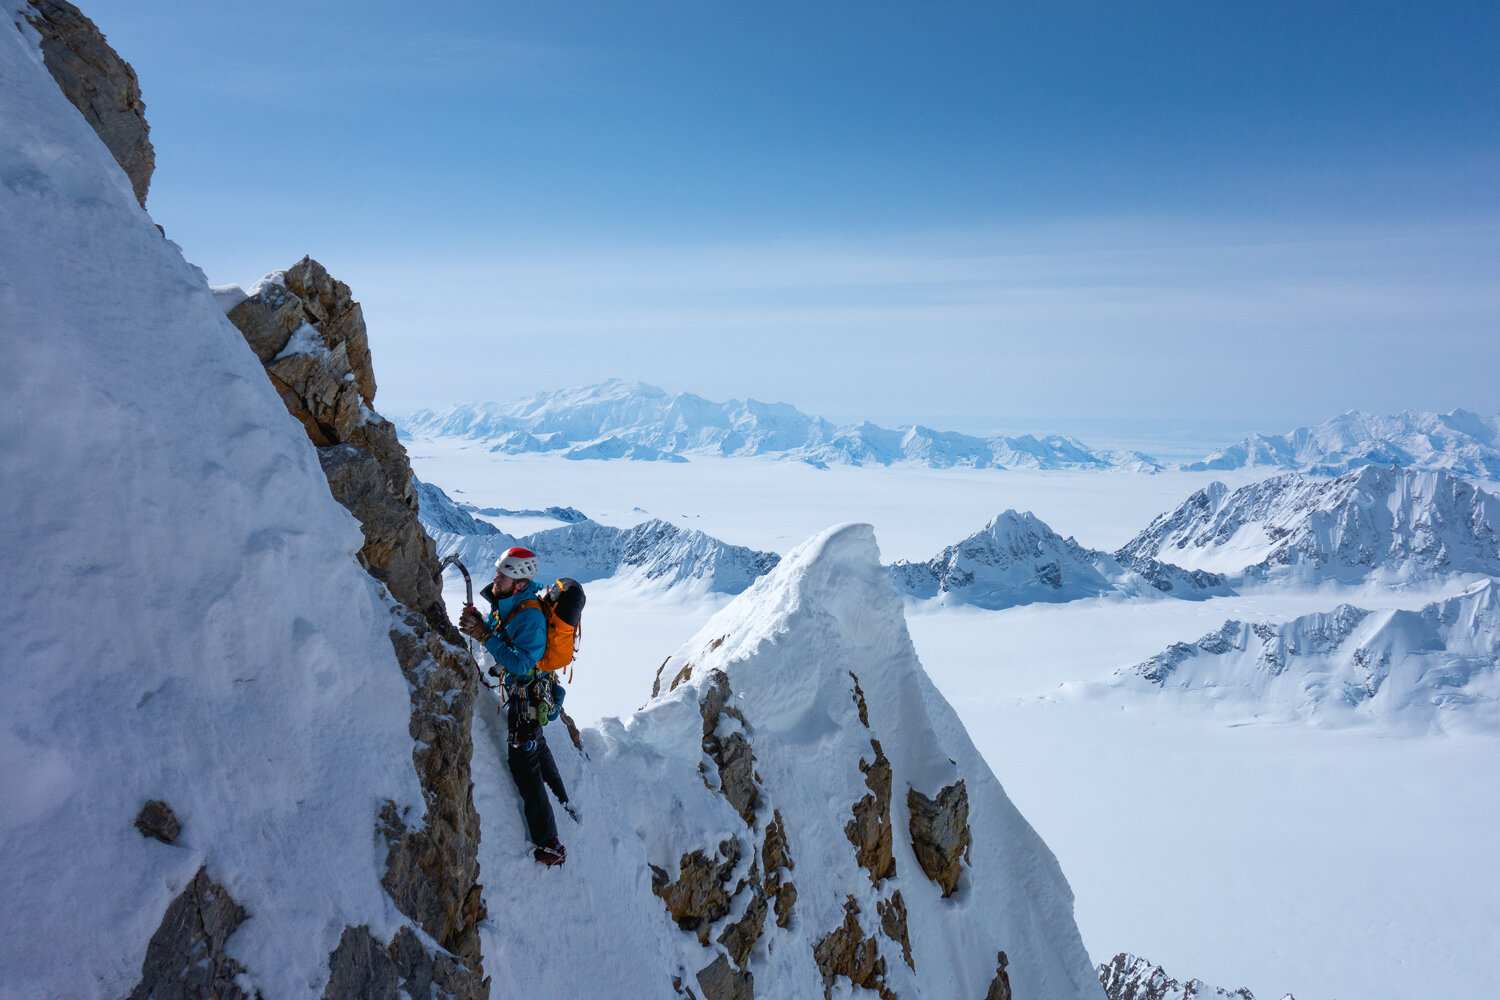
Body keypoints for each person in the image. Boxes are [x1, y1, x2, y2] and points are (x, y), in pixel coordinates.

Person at [458, 546, 572, 866]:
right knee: (537, 747)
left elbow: (522, 663)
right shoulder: (509, 604)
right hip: (530, 693)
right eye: (498, 572)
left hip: (529, 696)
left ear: (519, 583)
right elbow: (505, 637)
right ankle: (564, 798)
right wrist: (484, 625)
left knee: (524, 764)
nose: (496, 578)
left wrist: (483, 635)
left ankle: (550, 844)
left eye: (502, 575)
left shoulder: (530, 615)